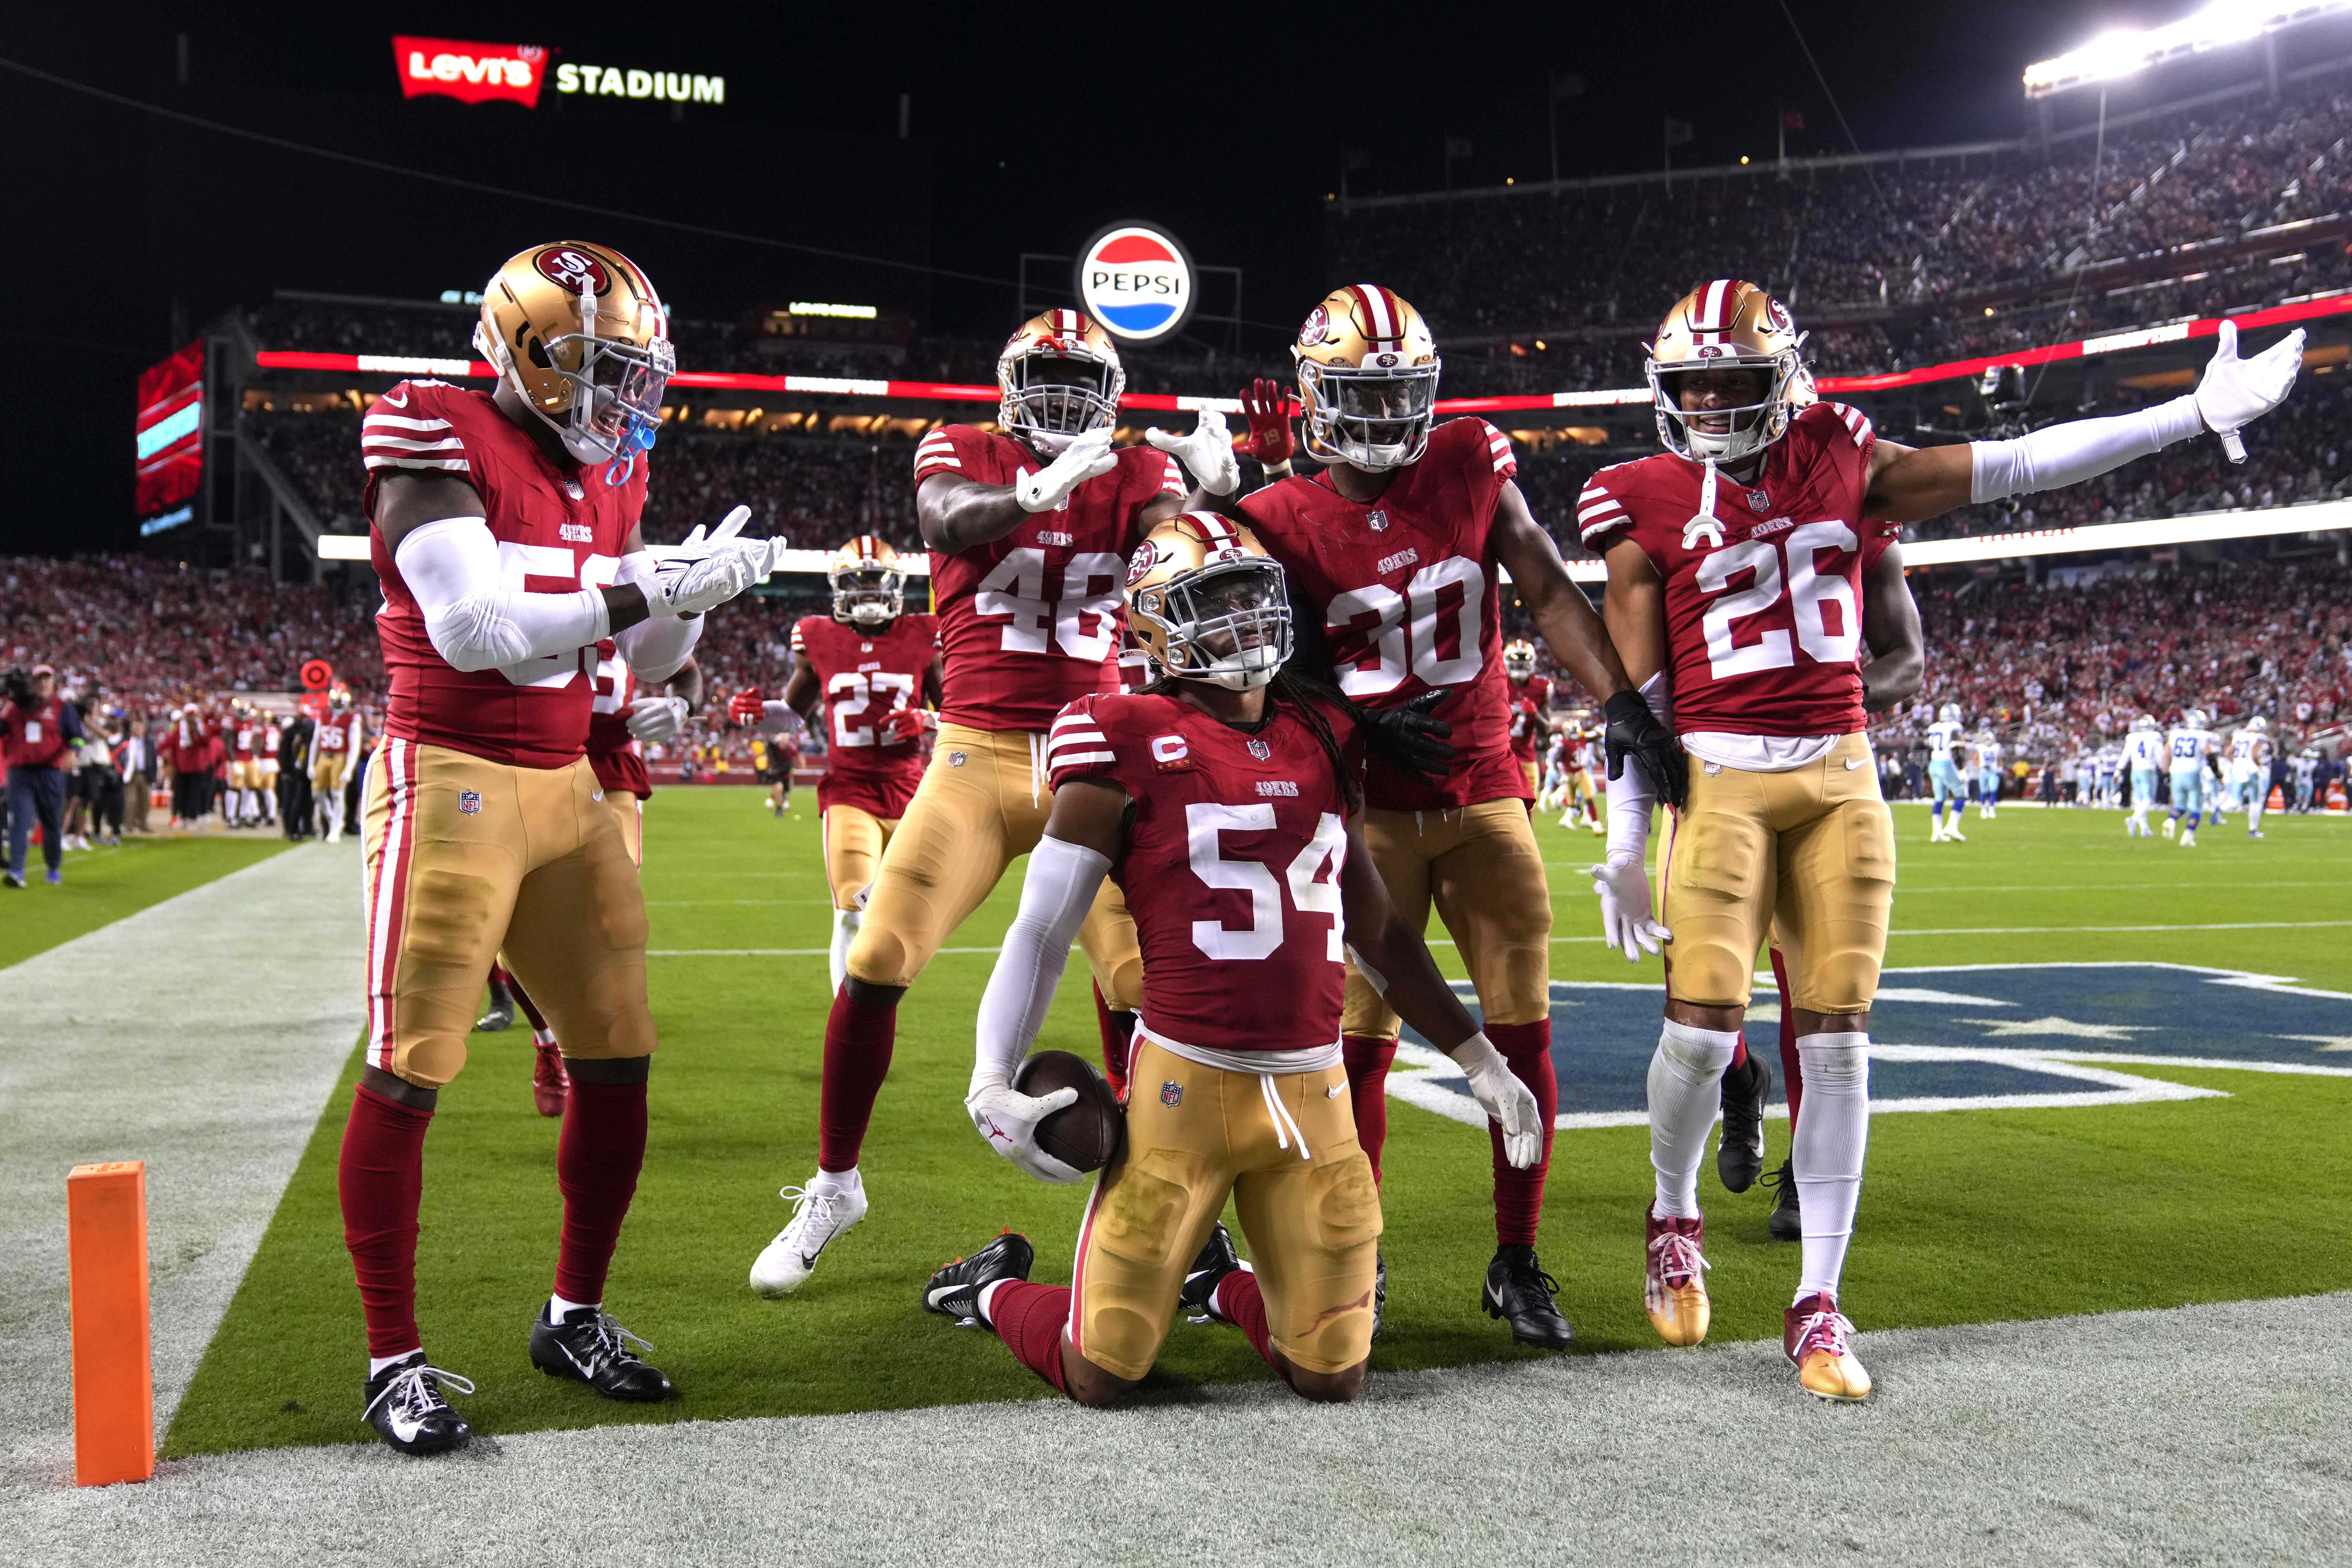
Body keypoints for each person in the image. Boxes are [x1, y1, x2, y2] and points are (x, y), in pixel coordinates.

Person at [1582, 278, 2297, 1401]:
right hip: (1717, 780)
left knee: (1838, 1044)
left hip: (1838, 779)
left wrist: (2189, 417)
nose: (1714, 402)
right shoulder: (1635, 496)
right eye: (1694, 385)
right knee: (1700, 1029)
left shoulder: (1843, 452)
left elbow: (2016, 462)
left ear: (1782, 379)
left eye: (1734, 379)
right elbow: (1638, 699)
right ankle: (1670, 1213)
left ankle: (1817, 1303)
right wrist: (1627, 838)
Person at [923, 512, 1543, 1404]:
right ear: (1152, 622)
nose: (1245, 618)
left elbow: (1376, 929)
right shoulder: (1117, 731)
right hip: (1184, 1088)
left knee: (1330, 1373)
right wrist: (989, 1077)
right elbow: (1039, 929)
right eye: (1215, 600)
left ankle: (1212, 1282)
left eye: (1255, 595)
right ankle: (986, 1286)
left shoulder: (1327, 732)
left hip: (1312, 1094)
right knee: (1101, 1371)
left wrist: (1478, 1057)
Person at [340, 239, 775, 1455]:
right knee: (411, 1064)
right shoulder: (430, 427)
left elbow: (642, 667)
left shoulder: (618, 474)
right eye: (597, 368)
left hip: (568, 784)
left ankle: (571, 1312)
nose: (622, 397)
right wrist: (643, 586)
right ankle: (392, 1361)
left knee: (619, 1058)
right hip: (453, 776)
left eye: (636, 372)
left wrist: (687, 594)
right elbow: (476, 628)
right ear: (522, 353)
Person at [1228, 284, 1685, 1349]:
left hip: (1482, 790)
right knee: (1356, 1048)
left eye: (1401, 398)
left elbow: (1544, 584)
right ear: (1314, 397)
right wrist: (1352, 730)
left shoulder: (1472, 459)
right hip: (1368, 812)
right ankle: (1361, 1248)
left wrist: (1616, 697)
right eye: (1361, 397)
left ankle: (1516, 1259)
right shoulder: (1274, 518)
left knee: (1520, 1035)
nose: (1386, 423)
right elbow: (1263, 680)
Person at [746, 309, 1219, 1298]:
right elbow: (946, 518)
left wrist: (1213, 498)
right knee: (876, 953)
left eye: (1076, 380)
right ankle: (834, 1184)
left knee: (1138, 977)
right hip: (974, 754)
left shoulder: (1133, 470)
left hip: (1092, 761)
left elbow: (1169, 554)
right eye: (1041, 378)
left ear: (1110, 392)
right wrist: (1035, 489)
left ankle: (1160, 1205)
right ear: (1009, 385)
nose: (1057, 400)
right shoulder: (961, 446)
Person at [731, 535, 942, 996]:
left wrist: (925, 718)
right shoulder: (817, 635)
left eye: (876, 581)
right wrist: (755, 712)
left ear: (895, 585)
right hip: (849, 791)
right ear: (838, 587)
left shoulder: (926, 633)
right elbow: (791, 712)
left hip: (912, 794)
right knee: (852, 906)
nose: (867, 591)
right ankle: (847, 1024)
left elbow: (966, 719)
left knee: (902, 919)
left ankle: (873, 1002)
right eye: (856, 582)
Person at [3, 665, 81, 886]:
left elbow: (77, 736)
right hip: (21, 773)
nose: (43, 683)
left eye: (47, 679)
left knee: (51, 822)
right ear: (32, 683)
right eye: (39, 679)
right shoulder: (16, 709)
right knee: (20, 821)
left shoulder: (63, 708)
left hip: (50, 773)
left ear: (54, 683)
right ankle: (17, 871)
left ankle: (54, 866)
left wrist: (74, 752)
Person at [311, 687, 363, 842]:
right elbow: (316, 741)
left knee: (337, 794)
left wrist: (349, 768)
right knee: (317, 792)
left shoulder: (352, 718)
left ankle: (335, 829)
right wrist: (310, 765)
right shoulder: (324, 715)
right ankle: (335, 819)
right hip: (324, 756)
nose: (338, 706)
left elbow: (355, 745)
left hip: (340, 757)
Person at [1502, 639, 1551, 798]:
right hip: (1499, 756)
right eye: (1515, 660)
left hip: (1526, 758)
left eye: (1524, 660)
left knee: (1527, 811)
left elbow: (1546, 731)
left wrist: (1535, 713)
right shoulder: (1496, 683)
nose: (1519, 665)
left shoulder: (1541, 688)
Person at [2165, 707, 2221, 846]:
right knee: (2196, 808)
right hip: (2193, 773)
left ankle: (2171, 821)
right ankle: (2188, 837)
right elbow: (2210, 756)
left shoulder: (2176, 734)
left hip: (2176, 772)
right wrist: (2218, 774)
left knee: (2180, 807)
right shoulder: (2203, 736)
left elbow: (2166, 754)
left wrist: (2166, 771)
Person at [1926, 704, 1968, 842]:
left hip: (1934, 763)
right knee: (1961, 795)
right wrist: (1961, 770)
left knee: (1939, 798)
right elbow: (1956, 749)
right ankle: (1952, 827)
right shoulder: (1954, 727)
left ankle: (1937, 832)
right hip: (1946, 763)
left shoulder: (1934, 727)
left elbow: (1929, 748)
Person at [2124, 712, 2165, 835]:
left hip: (2135, 771)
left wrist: (2119, 770)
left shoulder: (2133, 737)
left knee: (2140, 800)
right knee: (2148, 800)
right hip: (2148, 770)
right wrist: (2164, 767)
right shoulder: (2155, 737)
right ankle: (2134, 820)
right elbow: (2160, 755)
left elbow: (2126, 754)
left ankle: (2145, 828)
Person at [121, 714, 155, 835]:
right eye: (136, 728)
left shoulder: (149, 742)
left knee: (145, 801)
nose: (139, 731)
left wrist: (154, 775)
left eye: (140, 728)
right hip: (131, 774)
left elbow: (153, 759)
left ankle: (143, 823)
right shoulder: (127, 742)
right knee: (130, 801)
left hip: (145, 774)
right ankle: (128, 824)